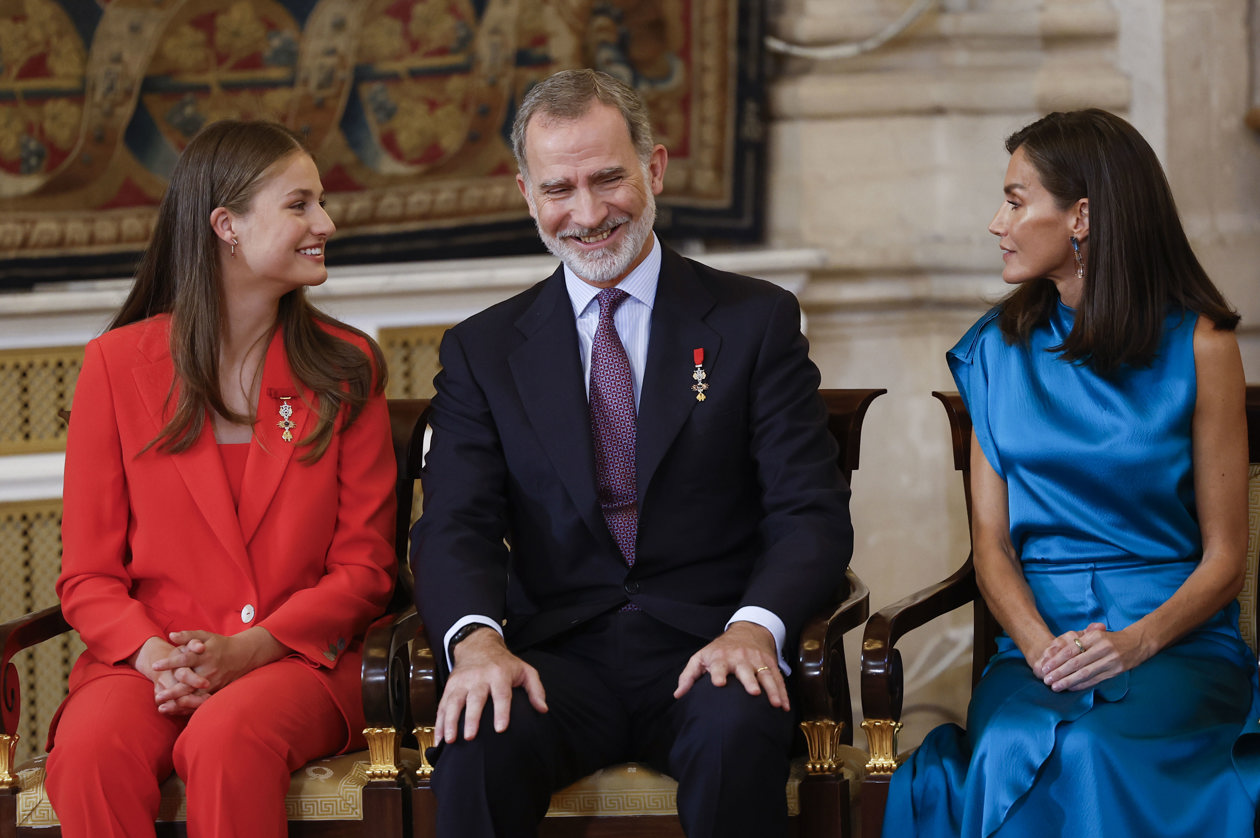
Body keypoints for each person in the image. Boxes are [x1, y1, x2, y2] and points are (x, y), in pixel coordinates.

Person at [411, 68, 853, 838]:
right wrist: (477, 641)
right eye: (559, 189)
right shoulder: (482, 352)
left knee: (734, 733)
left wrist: (755, 627)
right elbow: (456, 523)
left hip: (711, 648)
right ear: (527, 194)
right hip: (555, 658)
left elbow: (808, 511)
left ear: (654, 168)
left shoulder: (755, 323)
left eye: (609, 179)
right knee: (476, 740)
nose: (587, 213)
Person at [883, 108, 1260, 837]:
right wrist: (1035, 646)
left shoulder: (1203, 346)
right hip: (1037, 642)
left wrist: (1137, 642)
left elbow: (1227, 558)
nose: (998, 222)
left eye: (1017, 200)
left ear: (1081, 215)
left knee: (1093, 748)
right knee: (1014, 741)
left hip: (1174, 639)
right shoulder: (992, 352)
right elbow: (990, 543)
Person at [43, 120, 398, 838]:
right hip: (150, 662)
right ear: (226, 225)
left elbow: (365, 569)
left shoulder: (347, 365)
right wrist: (157, 657)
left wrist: (250, 649)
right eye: (300, 204)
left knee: (225, 737)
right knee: (88, 752)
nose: (324, 223)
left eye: (319, 203)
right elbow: (88, 577)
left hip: (301, 662)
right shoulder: (115, 366)